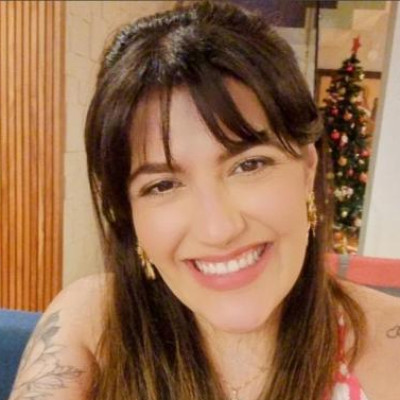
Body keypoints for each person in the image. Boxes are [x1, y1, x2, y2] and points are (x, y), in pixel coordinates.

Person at [8, 1, 400, 400]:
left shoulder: (390, 347)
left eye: (249, 165)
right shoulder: (94, 321)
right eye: (162, 186)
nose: (219, 229)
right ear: (128, 212)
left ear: (307, 169)